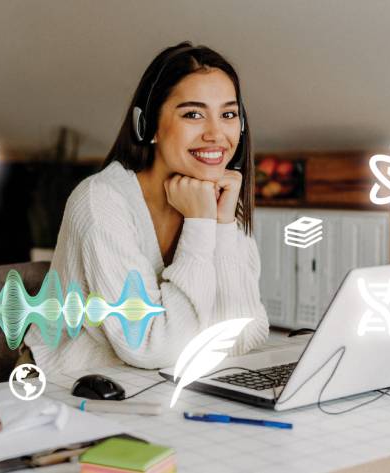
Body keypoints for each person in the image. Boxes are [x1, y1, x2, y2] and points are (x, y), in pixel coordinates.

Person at [24, 42, 270, 374]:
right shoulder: (101, 202)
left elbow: (245, 336)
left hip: (157, 388)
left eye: (228, 114)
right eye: (193, 114)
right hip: (67, 391)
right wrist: (200, 224)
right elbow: (152, 347)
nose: (216, 134)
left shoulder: (219, 201)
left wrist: (223, 225)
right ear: (149, 125)